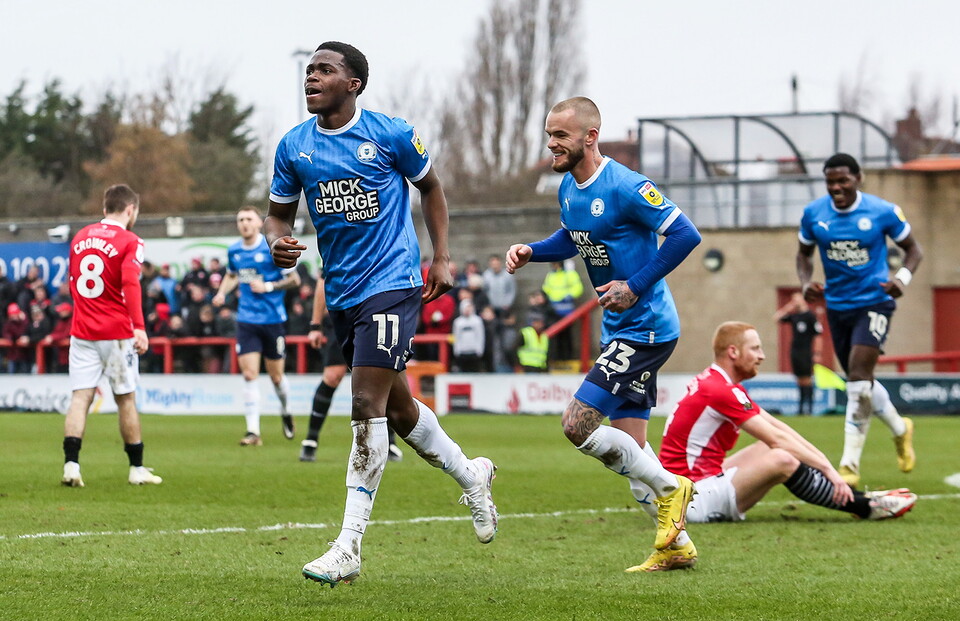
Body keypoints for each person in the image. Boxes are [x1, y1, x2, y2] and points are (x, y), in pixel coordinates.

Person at [264, 41, 498, 587]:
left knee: (364, 401)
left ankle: (348, 546)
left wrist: (440, 256)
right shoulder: (294, 147)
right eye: (309, 71)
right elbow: (277, 216)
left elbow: (432, 188)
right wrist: (277, 242)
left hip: (392, 284)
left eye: (325, 70)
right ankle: (472, 475)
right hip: (343, 293)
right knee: (398, 411)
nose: (312, 78)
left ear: (355, 84)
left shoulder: (390, 133)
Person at [505, 96, 703, 572]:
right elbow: (572, 238)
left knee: (576, 425)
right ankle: (676, 547)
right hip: (621, 329)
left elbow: (686, 234)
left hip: (647, 329)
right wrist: (533, 250)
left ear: (589, 137)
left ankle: (674, 489)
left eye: (561, 136)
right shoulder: (569, 190)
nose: (551, 144)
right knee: (631, 445)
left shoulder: (628, 187)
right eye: (549, 134)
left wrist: (635, 286)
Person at [656, 322, 917, 540]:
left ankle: (861, 498)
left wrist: (829, 468)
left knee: (769, 450)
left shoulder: (717, 382)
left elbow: (779, 428)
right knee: (781, 458)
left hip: (685, 491)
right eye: (756, 348)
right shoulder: (721, 390)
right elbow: (778, 439)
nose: (762, 355)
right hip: (689, 503)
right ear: (733, 352)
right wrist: (830, 472)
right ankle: (864, 505)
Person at [796, 153, 922, 488]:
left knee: (856, 378)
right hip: (838, 306)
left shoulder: (882, 211)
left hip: (876, 303)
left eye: (843, 181)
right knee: (860, 381)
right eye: (830, 181)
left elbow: (914, 249)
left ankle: (849, 464)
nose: (836, 187)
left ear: (858, 178)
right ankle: (900, 428)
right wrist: (806, 283)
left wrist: (902, 279)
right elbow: (803, 255)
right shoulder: (813, 214)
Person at [60, 183, 162, 487]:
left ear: (105, 208)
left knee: (80, 398)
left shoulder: (80, 237)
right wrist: (139, 327)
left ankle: (71, 465)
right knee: (126, 399)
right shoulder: (131, 240)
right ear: (130, 210)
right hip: (116, 333)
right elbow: (131, 283)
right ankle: (136, 468)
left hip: (82, 330)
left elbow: (73, 281)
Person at [213, 207, 301, 446]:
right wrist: (221, 293)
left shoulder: (271, 247)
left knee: (276, 377)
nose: (244, 224)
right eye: (240, 219)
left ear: (259, 223)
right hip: (246, 321)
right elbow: (232, 275)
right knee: (250, 374)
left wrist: (269, 287)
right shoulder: (235, 251)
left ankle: (286, 410)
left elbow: (294, 279)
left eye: (248, 219)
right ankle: (253, 431)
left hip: (272, 320)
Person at [299, 275, 404, 463]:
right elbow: (323, 281)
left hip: (376, 315)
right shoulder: (338, 247)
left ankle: (390, 441)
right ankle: (311, 440)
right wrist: (315, 324)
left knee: (382, 377)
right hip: (344, 317)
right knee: (332, 376)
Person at [773, 292, 823, 415]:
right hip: (795, 351)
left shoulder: (810, 316)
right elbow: (776, 318)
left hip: (806, 351)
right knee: (799, 379)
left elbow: (818, 335)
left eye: (797, 299)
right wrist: (789, 307)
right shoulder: (794, 316)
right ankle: (800, 409)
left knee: (807, 379)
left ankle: (809, 408)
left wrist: (817, 353)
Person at [542, 260, 584, 359]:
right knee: (556, 336)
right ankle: (557, 358)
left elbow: (578, 288)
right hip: (554, 309)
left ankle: (567, 357)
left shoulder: (570, 274)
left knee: (567, 335)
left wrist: (568, 295)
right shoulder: (551, 275)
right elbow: (546, 288)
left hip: (566, 309)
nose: (554, 266)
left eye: (555, 263)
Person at [452, 298, 485, 372]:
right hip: (462, 352)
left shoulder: (477, 321)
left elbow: (480, 336)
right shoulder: (458, 322)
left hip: (474, 351)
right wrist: (456, 350)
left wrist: (479, 350)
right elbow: (456, 337)